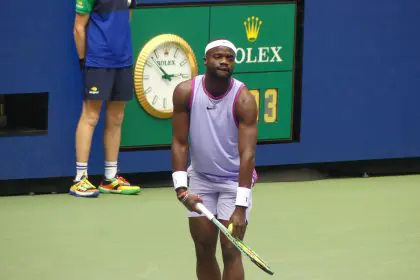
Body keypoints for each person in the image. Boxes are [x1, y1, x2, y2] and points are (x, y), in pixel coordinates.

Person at [171, 39, 258, 280]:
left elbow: (247, 154)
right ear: (205, 60)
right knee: (203, 249)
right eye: (218, 56)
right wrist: (181, 188)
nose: (224, 61)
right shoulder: (185, 92)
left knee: (231, 251)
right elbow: (179, 142)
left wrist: (240, 207)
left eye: (229, 58)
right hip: (201, 179)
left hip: (234, 182)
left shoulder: (244, 100)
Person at [70, 0, 140, 197]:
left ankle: (110, 178)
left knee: (117, 117)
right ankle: (80, 178)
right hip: (98, 60)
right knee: (90, 116)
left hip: (123, 60)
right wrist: (85, 61)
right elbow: (78, 27)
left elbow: (128, 17)